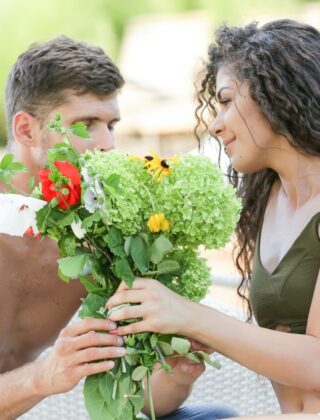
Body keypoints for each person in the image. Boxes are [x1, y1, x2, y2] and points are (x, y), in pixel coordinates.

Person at [0, 36, 239, 419]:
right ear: (27, 130)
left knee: (212, 416)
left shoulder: (99, 235)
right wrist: (42, 377)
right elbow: (43, 377)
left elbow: (145, 402)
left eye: (111, 125)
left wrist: (178, 372)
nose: (107, 144)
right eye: (86, 124)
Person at [106, 19, 320, 417]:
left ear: (277, 93)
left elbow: (316, 364)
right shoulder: (268, 199)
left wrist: (196, 318)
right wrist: (186, 338)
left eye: (225, 100)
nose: (216, 124)